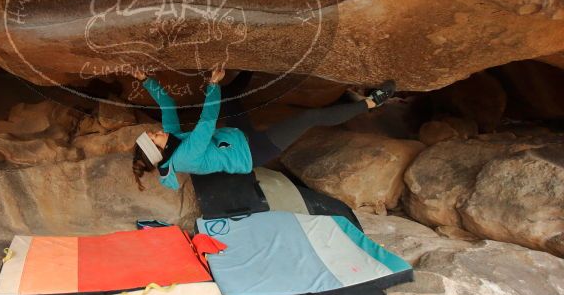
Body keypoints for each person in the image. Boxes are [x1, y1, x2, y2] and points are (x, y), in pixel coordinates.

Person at [131, 69, 395, 191]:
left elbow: (167, 107)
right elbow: (206, 122)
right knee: (308, 117)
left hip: (235, 136)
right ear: (160, 150)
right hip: (253, 151)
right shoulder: (184, 157)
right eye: (154, 138)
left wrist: (145, 81)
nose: (156, 132)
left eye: (153, 133)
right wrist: (212, 86)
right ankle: (371, 103)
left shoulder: (173, 140)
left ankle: (250, 64)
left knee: (231, 97)